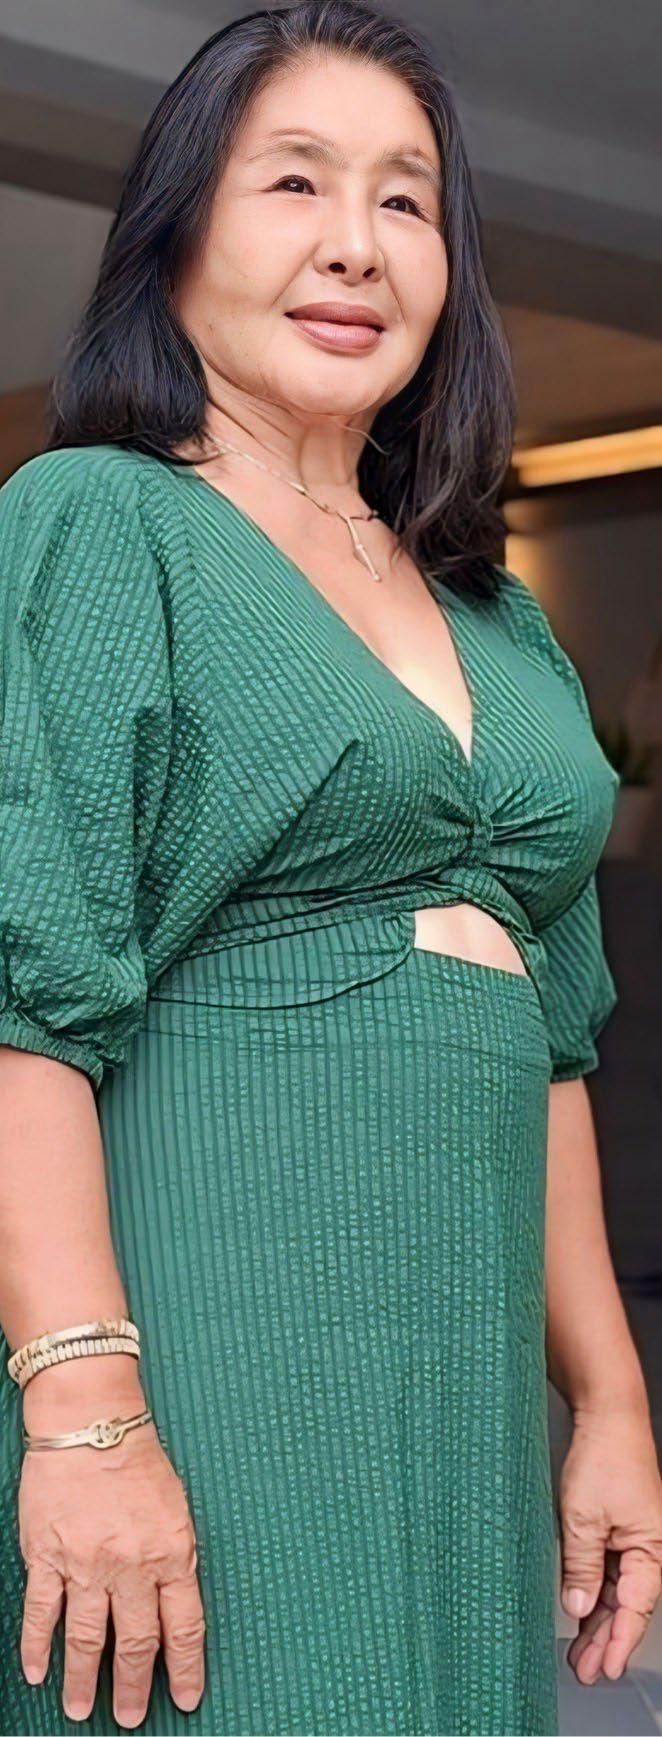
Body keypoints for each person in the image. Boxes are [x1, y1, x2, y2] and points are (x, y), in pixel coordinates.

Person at [1, 3, 660, 1733]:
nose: (356, 244)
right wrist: (84, 1414)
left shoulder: (498, 617)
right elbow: (19, 1000)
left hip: (457, 1363)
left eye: (405, 198)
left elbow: (555, 1042)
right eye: (292, 181)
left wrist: (606, 1398)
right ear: (178, 231)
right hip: (210, 1329)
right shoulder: (99, 519)